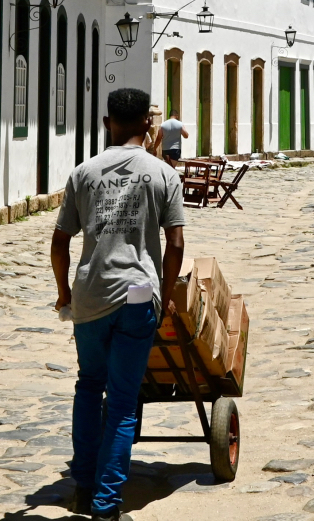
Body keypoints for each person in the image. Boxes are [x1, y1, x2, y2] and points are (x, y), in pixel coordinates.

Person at [53, 87, 186, 521]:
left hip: (91, 294)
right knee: (124, 402)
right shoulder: (163, 174)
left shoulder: (83, 173)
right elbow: (176, 242)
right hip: (137, 294)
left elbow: (60, 243)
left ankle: (83, 488)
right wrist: (166, 295)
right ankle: (107, 506)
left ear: (108, 122)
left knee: (89, 386)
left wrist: (64, 293)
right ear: (148, 125)